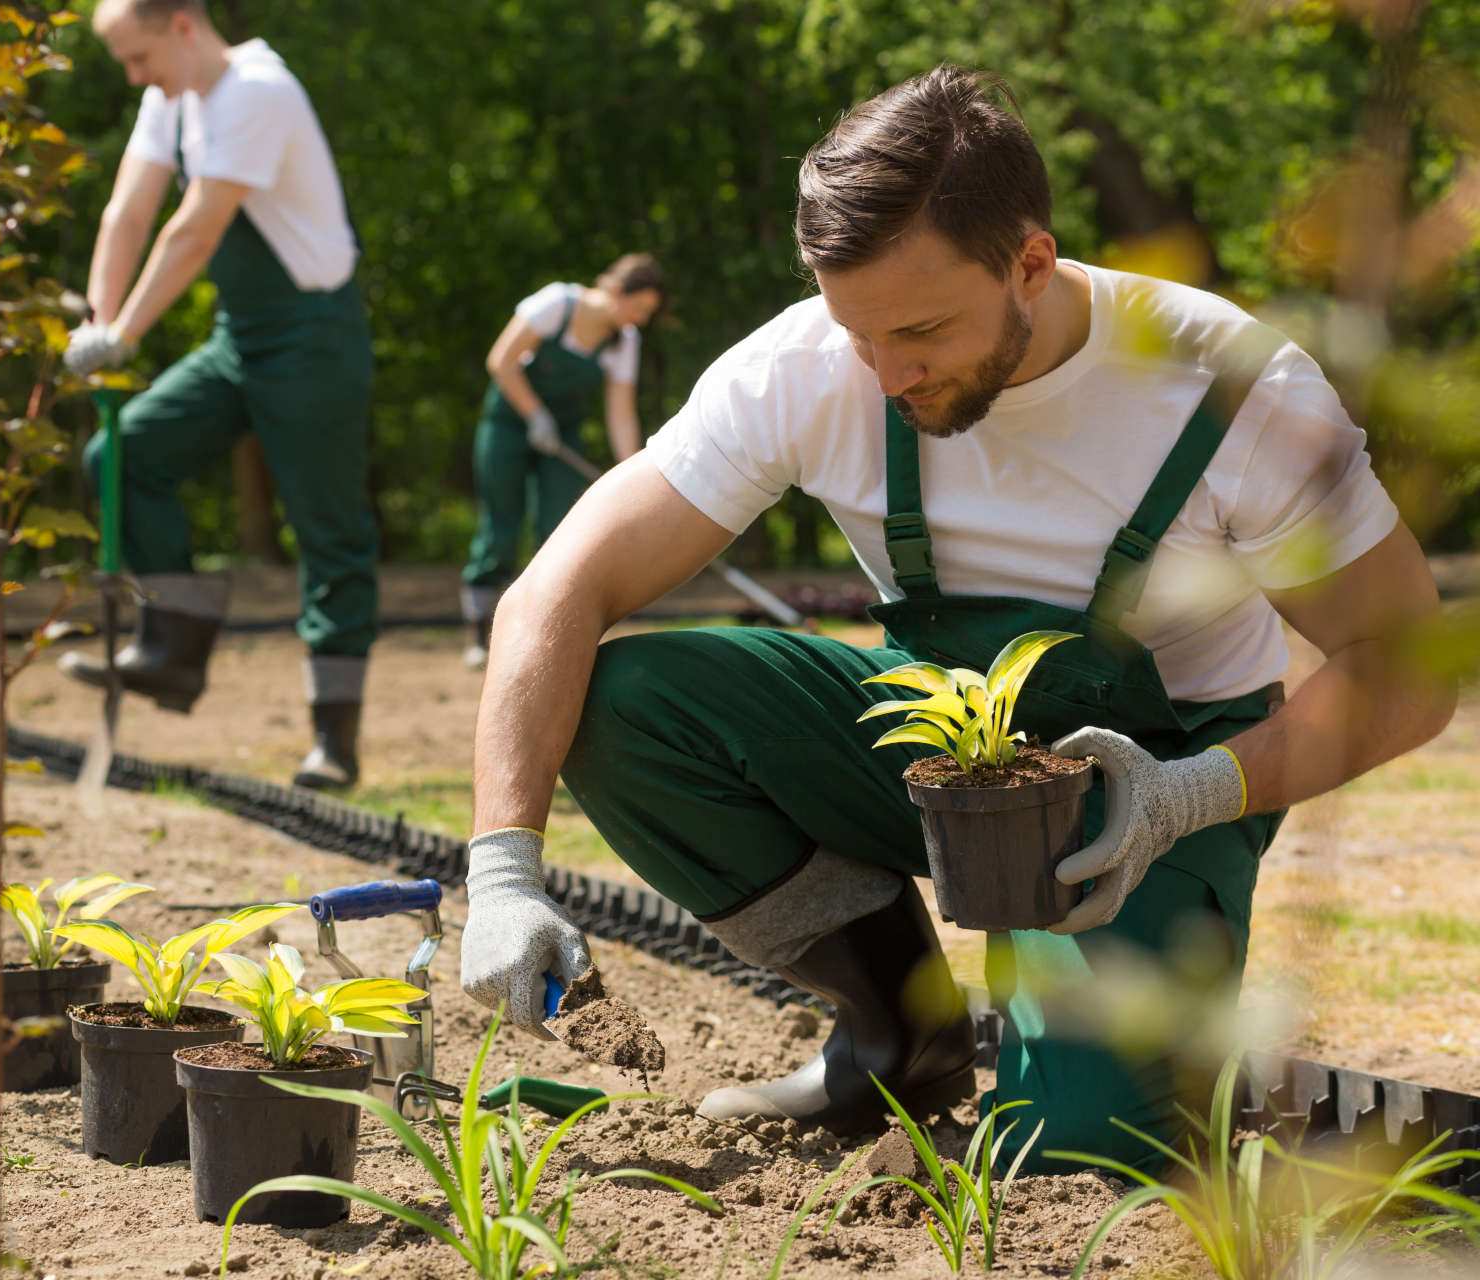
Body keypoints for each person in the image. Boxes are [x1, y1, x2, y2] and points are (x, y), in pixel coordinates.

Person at [454, 67, 1455, 1169]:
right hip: (939, 750)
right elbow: (556, 587)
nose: (886, 373)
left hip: (1154, 788)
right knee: (626, 704)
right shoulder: (809, 366)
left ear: (1030, 262)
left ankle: (1102, 1018)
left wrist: (1186, 795)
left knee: (1075, 1150)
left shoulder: (1227, 390)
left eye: (920, 330)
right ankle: (901, 1030)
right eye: (858, 333)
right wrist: (502, 869)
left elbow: (1405, 666)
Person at [61, 0, 377, 790]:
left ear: (182, 26)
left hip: (313, 339)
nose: (137, 78)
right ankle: (172, 654)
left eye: (138, 58)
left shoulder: (257, 91)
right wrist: (99, 320)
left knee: (328, 533)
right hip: (241, 340)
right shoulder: (169, 103)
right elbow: (128, 213)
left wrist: (127, 333)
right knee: (120, 456)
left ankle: (333, 742)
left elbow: (193, 233)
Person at [459, 256, 664, 669]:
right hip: (510, 425)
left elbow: (620, 412)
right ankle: (479, 636)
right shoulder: (556, 304)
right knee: (500, 527)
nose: (639, 321)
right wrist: (535, 415)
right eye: (637, 309)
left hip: (562, 439)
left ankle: (535, 635)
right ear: (615, 291)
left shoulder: (623, 341)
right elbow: (501, 360)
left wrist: (632, 472)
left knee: (557, 530)